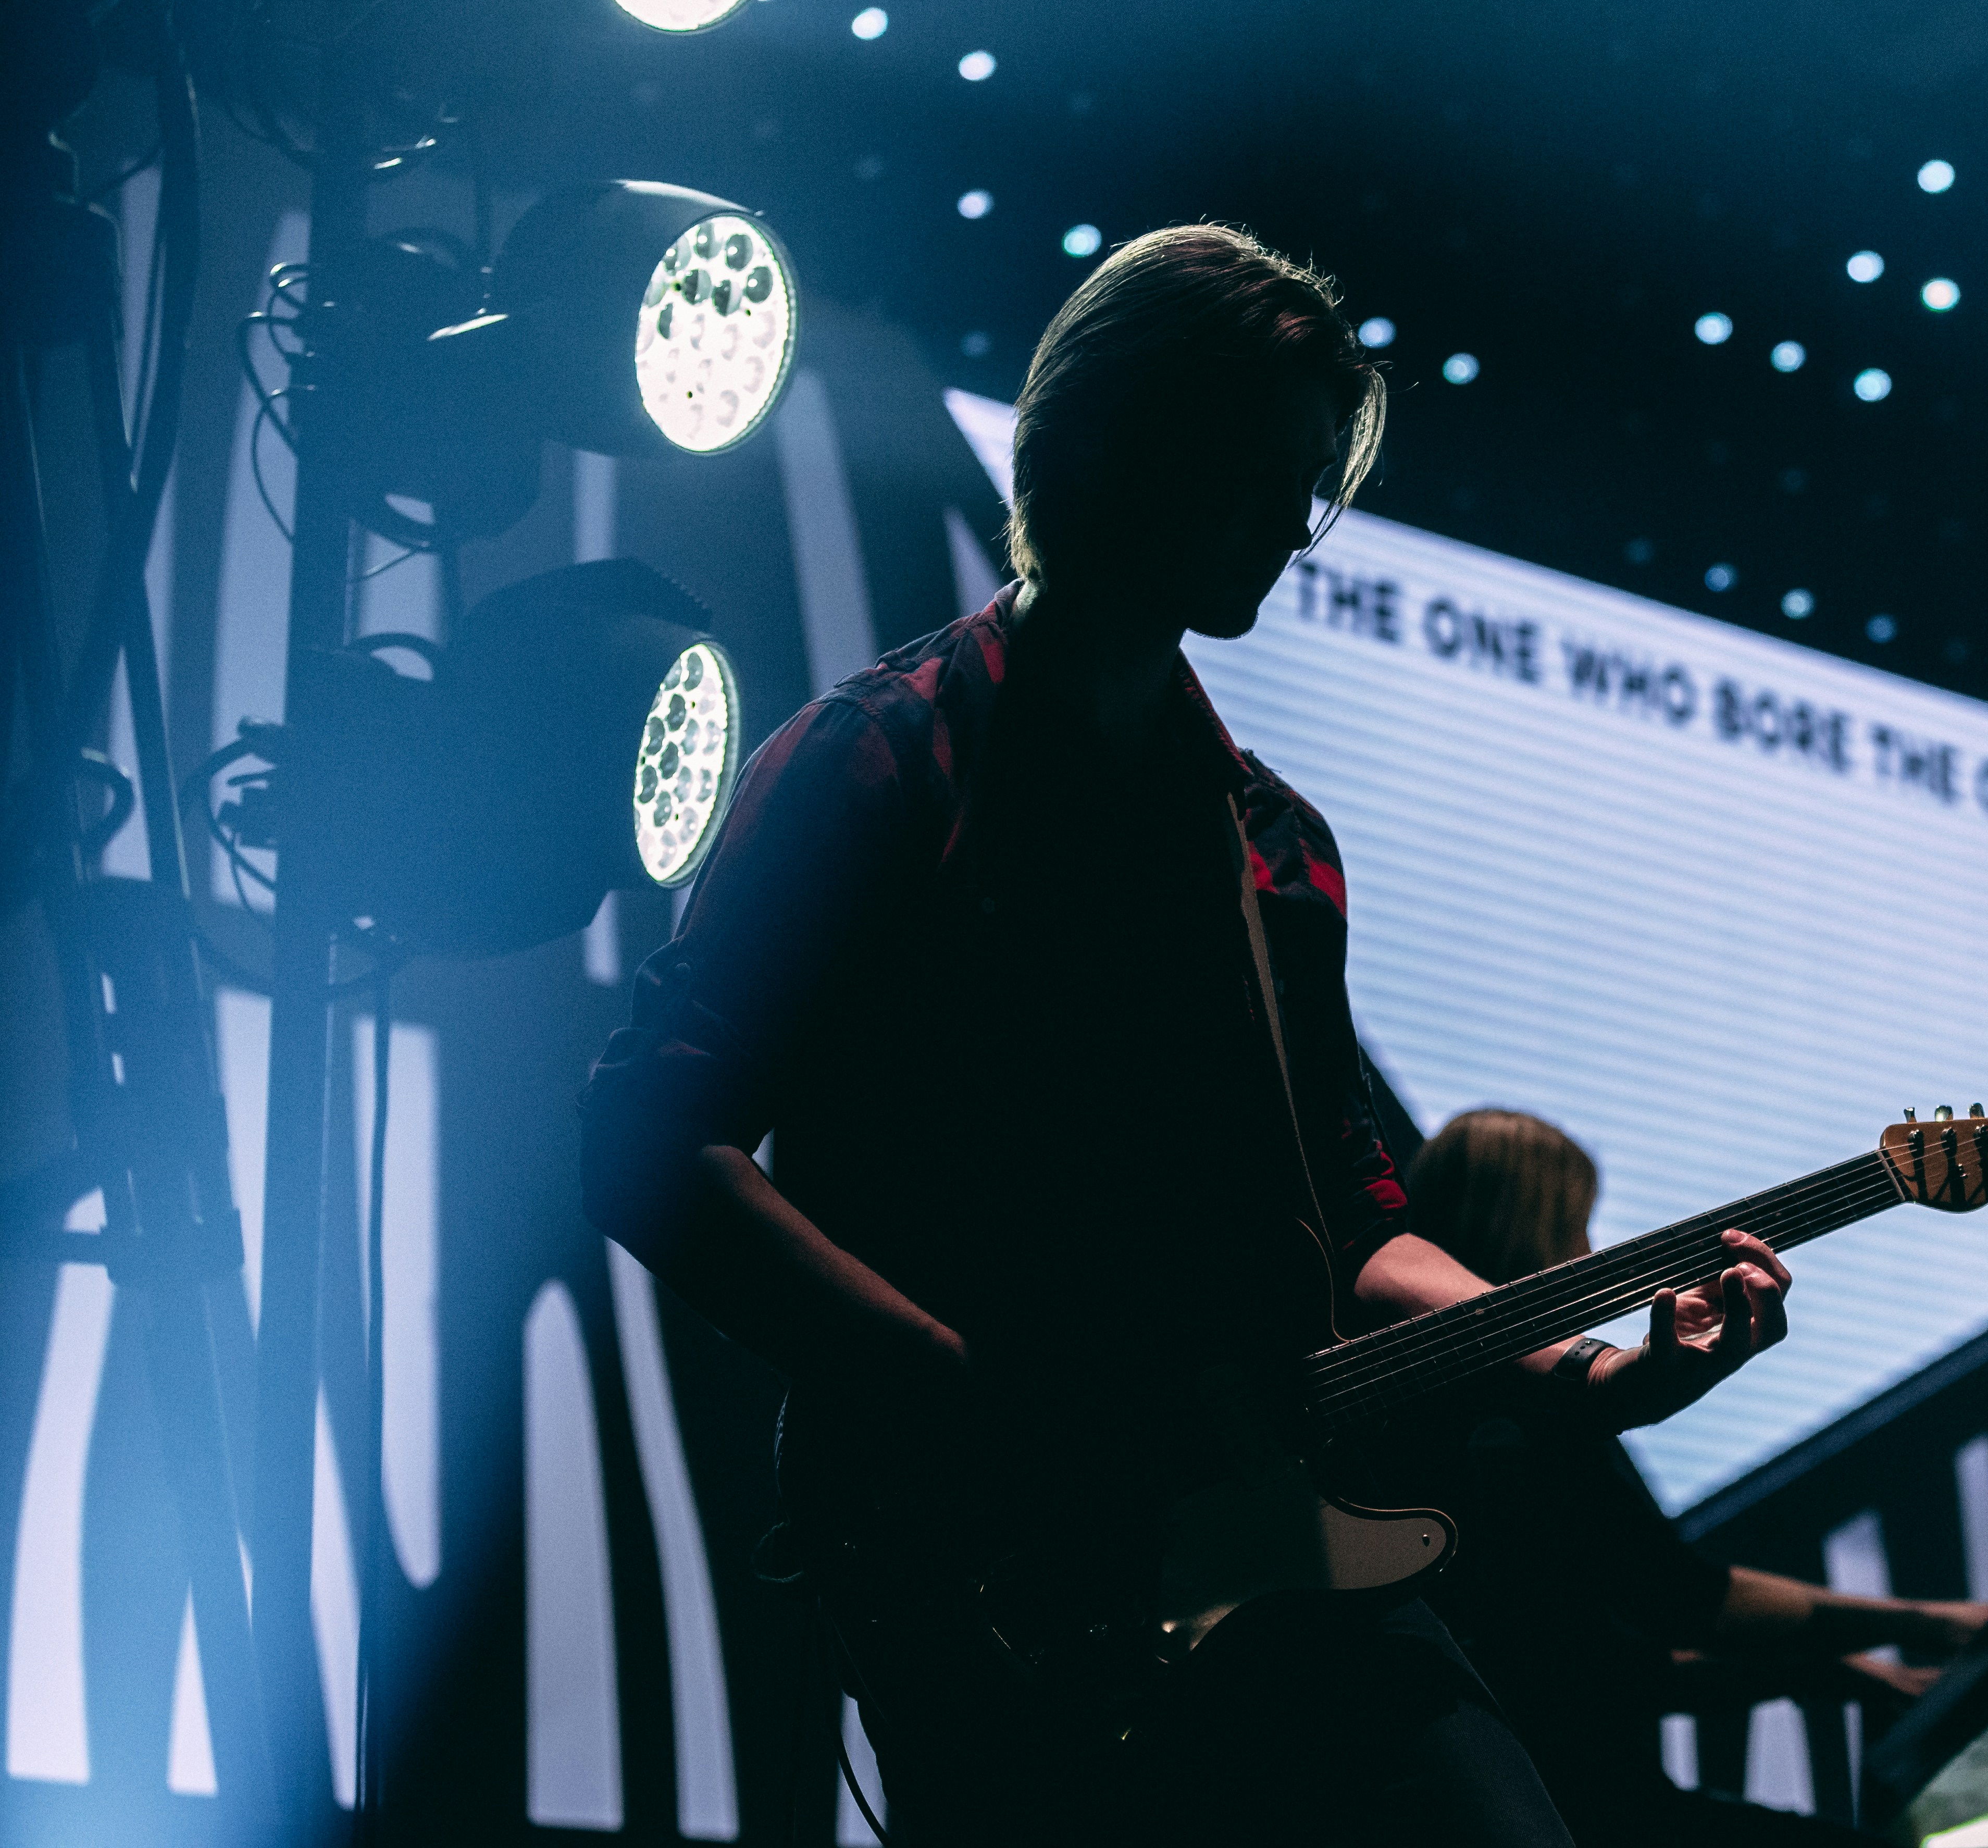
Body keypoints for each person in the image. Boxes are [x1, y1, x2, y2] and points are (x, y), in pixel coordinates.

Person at [578, 225, 1793, 1846]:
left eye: (1311, 483)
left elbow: (1352, 1218)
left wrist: (1585, 1366)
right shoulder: (881, 763)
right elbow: (649, 1144)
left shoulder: (1274, 850)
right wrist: (960, 1393)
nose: (1292, 530)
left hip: (1275, 1535)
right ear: (1112, 438)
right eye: (1257, 469)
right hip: (981, 1568)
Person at [1401, 1108, 1988, 1845]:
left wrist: (1836, 1672)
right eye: (1579, 1223)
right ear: (1531, 1227)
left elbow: (1602, 1662)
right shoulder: (1517, 1433)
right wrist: (1931, 1622)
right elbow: (1678, 1600)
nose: (1592, 1251)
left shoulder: (1441, 1427)